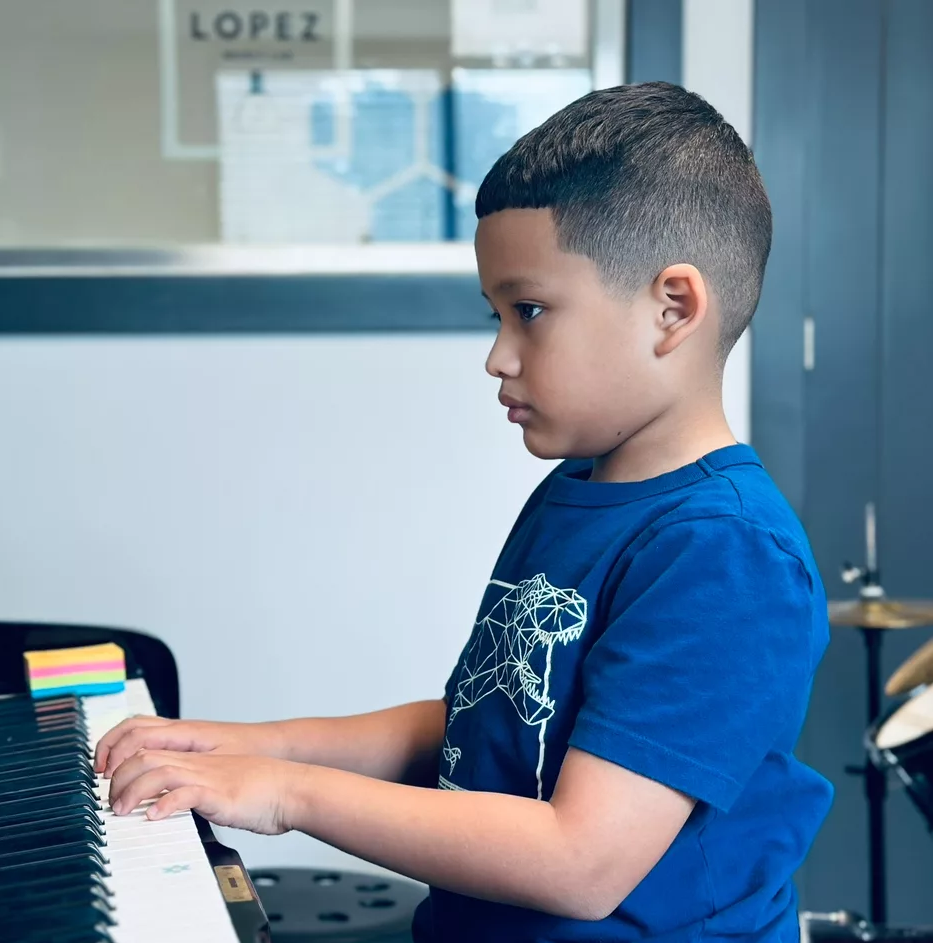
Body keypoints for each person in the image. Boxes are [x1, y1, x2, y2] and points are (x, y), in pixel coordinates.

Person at [94, 81, 833, 942]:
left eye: (529, 312)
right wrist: (258, 744)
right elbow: (490, 722)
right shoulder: (580, 489)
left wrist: (286, 793)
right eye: (496, 315)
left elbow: (581, 861)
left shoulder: (725, 552)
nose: (497, 356)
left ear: (672, 308)